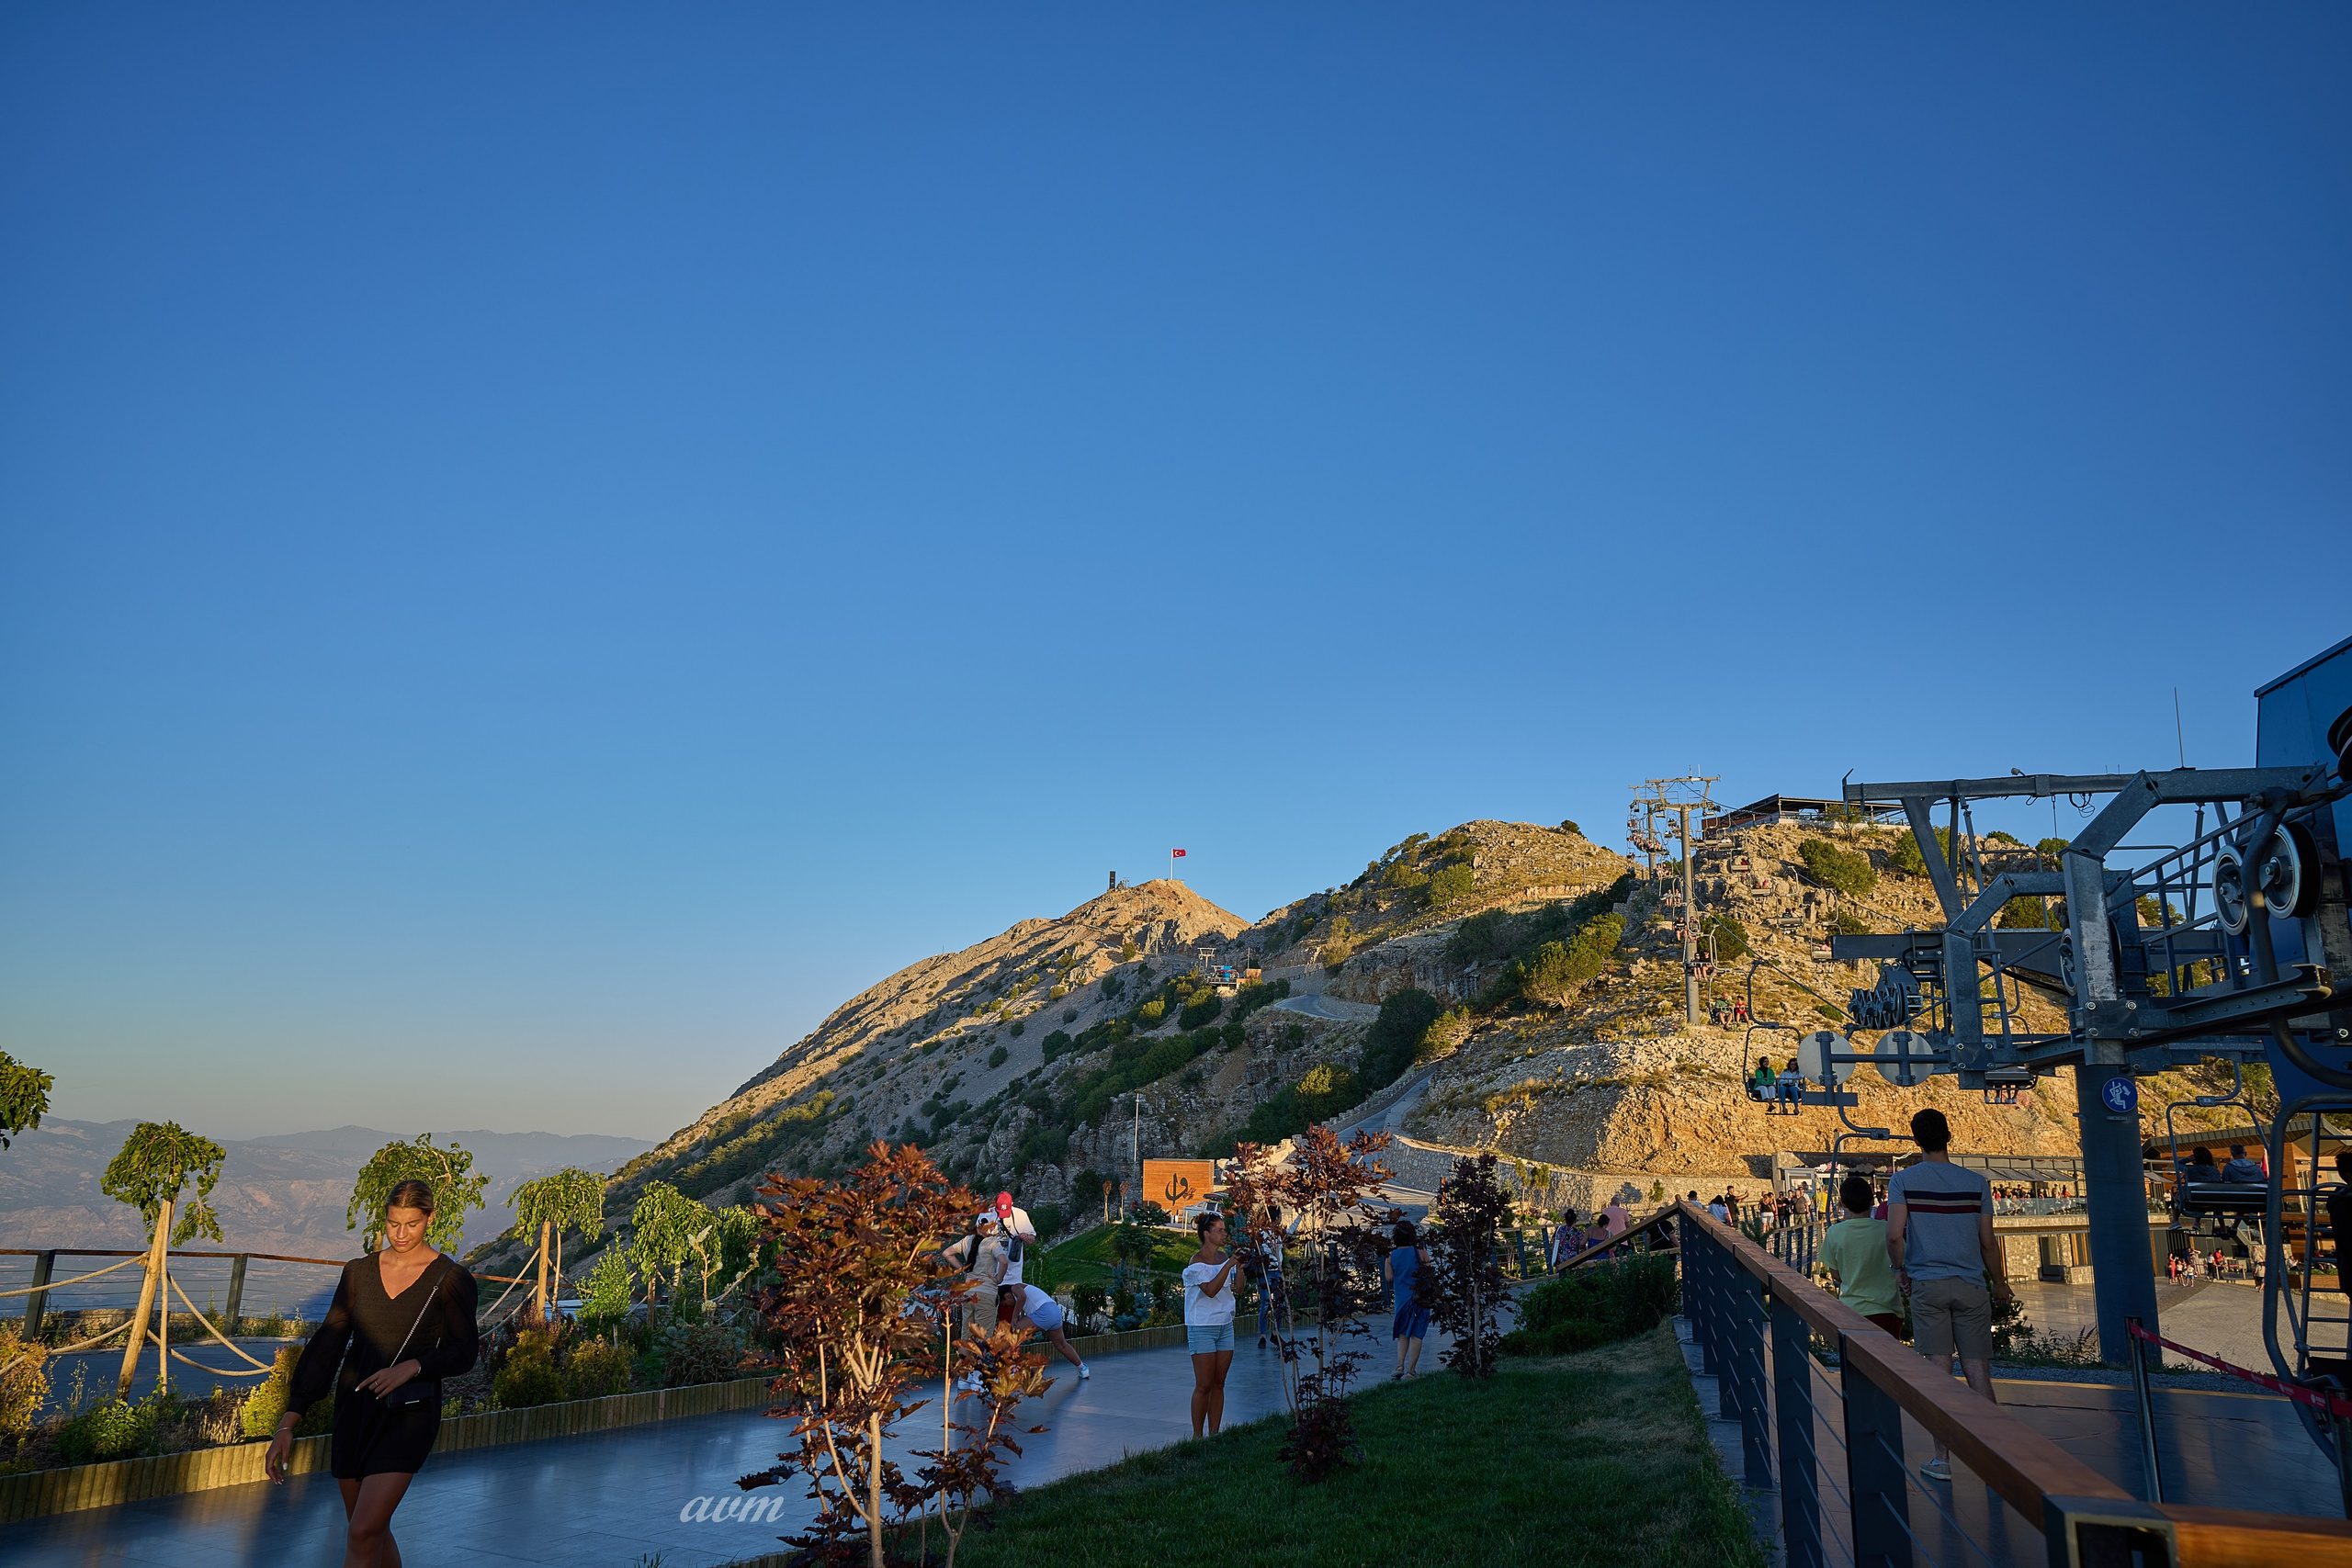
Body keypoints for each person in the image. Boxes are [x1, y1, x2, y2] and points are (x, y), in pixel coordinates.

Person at [267, 1179, 479, 1568]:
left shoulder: (450, 1279)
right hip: (355, 1410)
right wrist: (288, 1422)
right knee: (369, 1532)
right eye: (393, 1223)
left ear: (429, 1219)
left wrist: (413, 1367)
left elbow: (464, 1352)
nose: (400, 1234)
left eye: (411, 1224)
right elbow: (328, 1345)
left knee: (363, 1531)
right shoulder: (358, 1273)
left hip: (409, 1415)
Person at [1887, 1109, 2012, 1484]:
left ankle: (1941, 1460)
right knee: (1978, 1371)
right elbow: (1987, 1242)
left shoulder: (1903, 1180)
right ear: (1949, 1137)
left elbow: (1894, 1235)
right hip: (1972, 1285)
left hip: (1928, 1286)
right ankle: (1995, 1458)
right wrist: (2000, 1283)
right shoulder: (1977, 1183)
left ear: (1916, 1141)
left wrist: (1900, 1271)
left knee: (1938, 1374)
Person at [1181, 1212, 1241, 1436]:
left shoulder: (1225, 1258)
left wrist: (1240, 1267)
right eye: (1220, 1230)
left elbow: (1239, 1289)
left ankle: (1215, 1433)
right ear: (1207, 1234)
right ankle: (1197, 1436)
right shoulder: (1196, 1263)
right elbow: (1210, 1291)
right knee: (1204, 1384)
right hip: (1202, 1327)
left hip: (1225, 1324)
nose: (1224, 1234)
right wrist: (1228, 1265)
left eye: (1224, 1230)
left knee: (1219, 1382)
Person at [1819, 1175, 1902, 1335]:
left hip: (1852, 1310)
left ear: (1842, 1204)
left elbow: (1836, 1274)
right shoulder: (1888, 1230)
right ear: (1872, 1201)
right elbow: (1902, 1264)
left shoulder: (1834, 1233)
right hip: (1887, 1310)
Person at [998, 1282, 1089, 1379]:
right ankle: (1083, 1369)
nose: (1008, 1307)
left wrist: (1014, 1318)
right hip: (1055, 1311)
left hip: (1044, 1312)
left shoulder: (1015, 1287)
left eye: (1005, 1304)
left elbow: (1022, 1297)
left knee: (1011, 1335)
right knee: (1062, 1345)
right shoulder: (1026, 1290)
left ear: (1007, 1296)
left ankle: (1012, 1370)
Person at [1385, 1220, 1433, 1380]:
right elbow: (1430, 1271)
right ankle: (1411, 1371)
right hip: (1420, 1298)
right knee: (1417, 1334)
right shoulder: (1420, 1252)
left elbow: (1389, 1278)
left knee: (1403, 1334)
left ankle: (1399, 1365)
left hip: (1401, 1300)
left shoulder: (1391, 1256)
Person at [1249, 1203, 1295, 1348]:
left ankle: (1275, 1334)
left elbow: (1291, 1231)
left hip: (1277, 1272)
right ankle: (1262, 1336)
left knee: (1280, 1303)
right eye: (1280, 1215)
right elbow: (1264, 1249)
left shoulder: (1278, 1233)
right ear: (1275, 1217)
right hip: (1267, 1272)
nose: (1281, 1218)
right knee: (1266, 1304)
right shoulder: (1264, 1234)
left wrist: (1300, 1217)